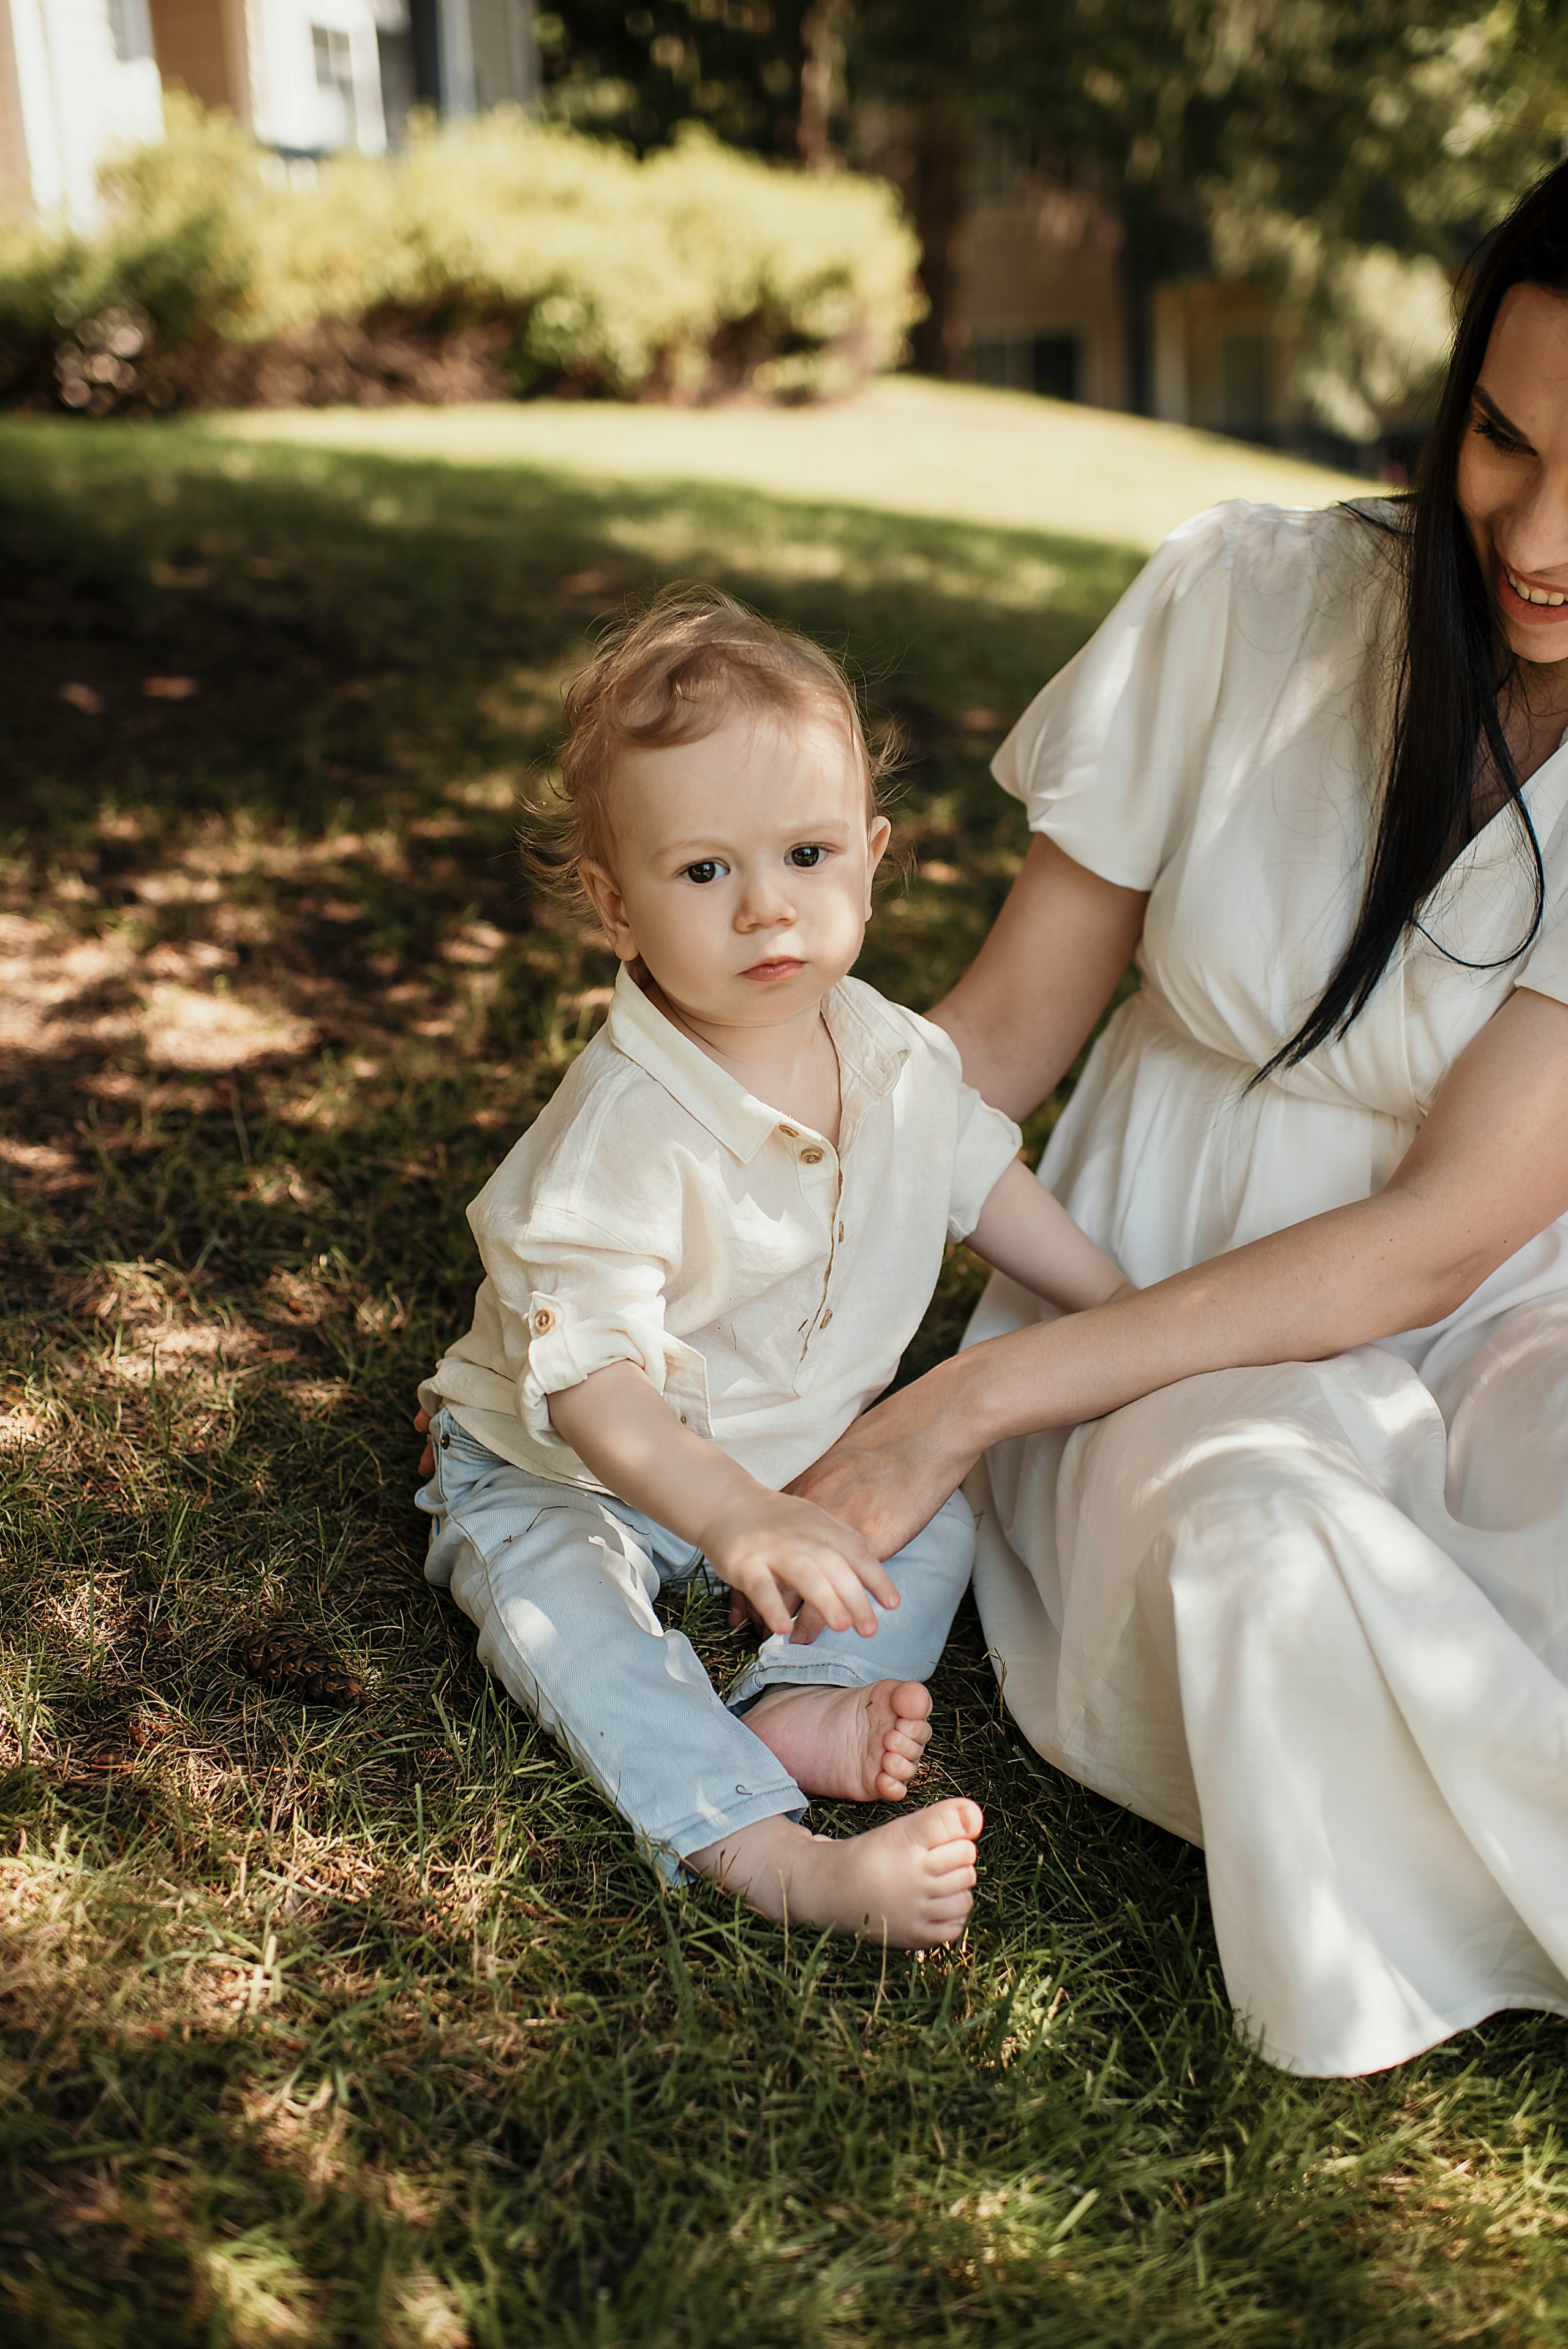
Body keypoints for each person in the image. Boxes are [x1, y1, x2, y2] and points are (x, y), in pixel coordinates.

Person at [789, 164, 1568, 2075]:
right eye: (1505, 437)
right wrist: (654, 1310)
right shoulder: (1254, 594)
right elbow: (990, 1044)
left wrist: (944, 1411)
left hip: (1493, 1301)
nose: (1540, 534)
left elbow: (1451, 1233)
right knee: (1270, 1540)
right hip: (1150, 1294)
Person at [413, 589, 1129, 1947]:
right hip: (569, 1473)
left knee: (932, 1516)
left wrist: (1127, 1315)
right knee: (566, 1619)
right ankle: (764, 1845)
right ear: (617, 908)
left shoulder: (895, 1058)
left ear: (869, 856)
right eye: (701, 874)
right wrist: (733, 1516)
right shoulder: (623, 1127)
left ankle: (799, 1695)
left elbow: (989, 1189)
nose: (763, 909)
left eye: (804, 853)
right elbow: (595, 1392)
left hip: (784, 1464)